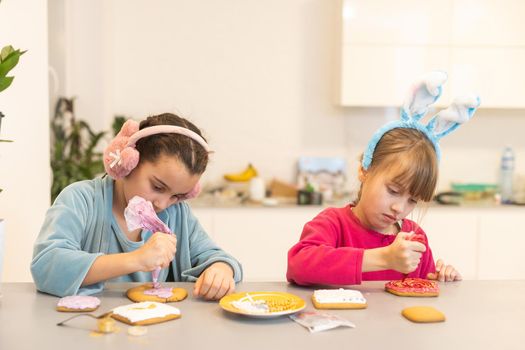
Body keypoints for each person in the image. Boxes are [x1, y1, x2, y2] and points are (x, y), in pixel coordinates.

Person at [287, 72, 480, 286]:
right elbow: (299, 265)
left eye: (412, 200)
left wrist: (441, 278)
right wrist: (384, 258)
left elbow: (422, 290)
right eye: (393, 191)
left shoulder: (413, 238)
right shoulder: (333, 224)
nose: (399, 207)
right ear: (364, 170)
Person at [31, 113, 242, 299]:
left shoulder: (177, 213)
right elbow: (46, 265)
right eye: (158, 186)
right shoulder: (80, 199)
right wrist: (136, 259)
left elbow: (215, 256)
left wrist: (221, 269)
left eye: (177, 195)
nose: (162, 203)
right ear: (129, 162)